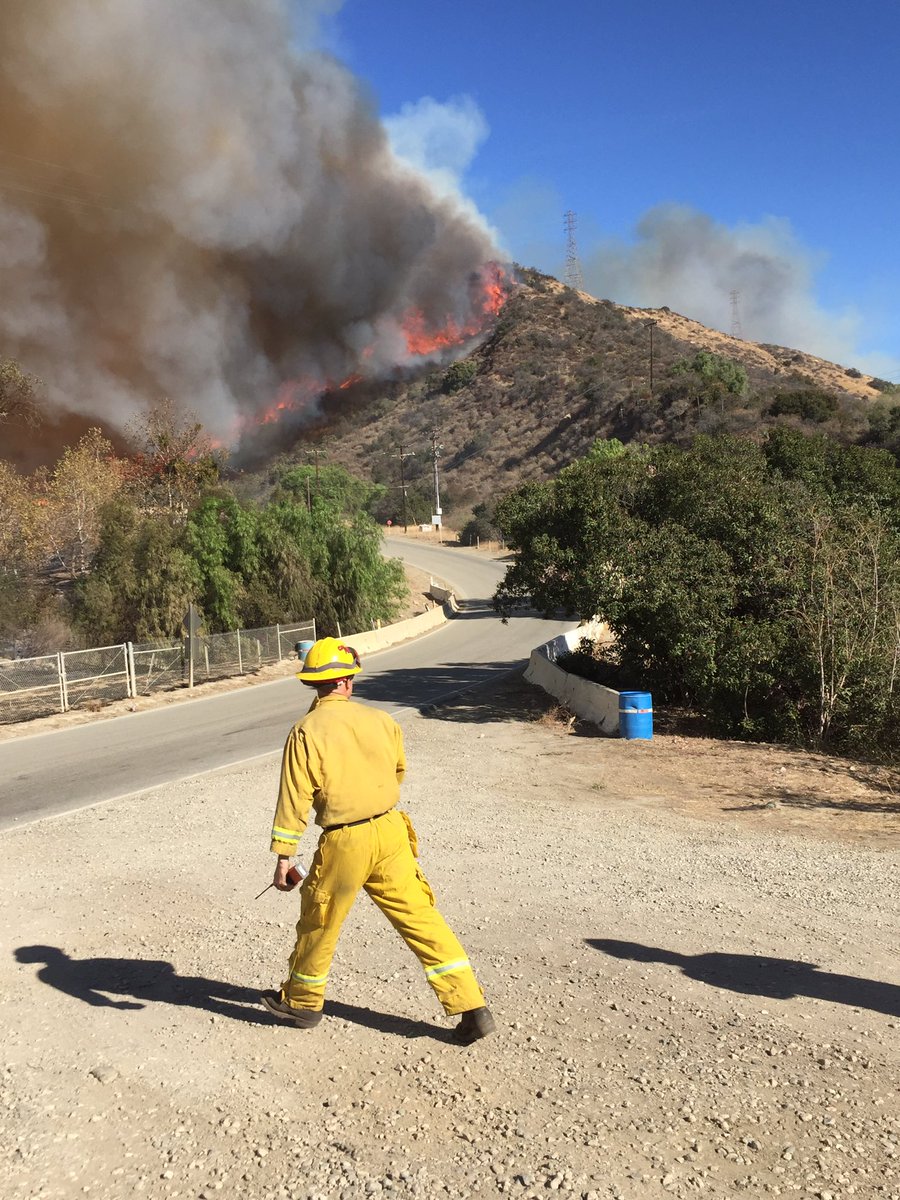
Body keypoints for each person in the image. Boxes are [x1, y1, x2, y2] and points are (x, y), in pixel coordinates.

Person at [260, 637, 495, 1044]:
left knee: (320, 921)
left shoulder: (305, 732)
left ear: (313, 684)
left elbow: (294, 798)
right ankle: (472, 1007)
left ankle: (302, 1002)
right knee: (421, 919)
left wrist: (285, 857)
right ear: (348, 681)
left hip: (345, 840)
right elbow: (398, 770)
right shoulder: (382, 721)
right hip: (391, 832)